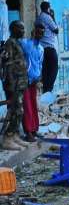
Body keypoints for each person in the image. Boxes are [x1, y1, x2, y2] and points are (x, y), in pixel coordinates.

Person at [0, 21, 30, 150]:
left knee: (19, 111)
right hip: (14, 85)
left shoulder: (17, 43)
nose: (23, 30)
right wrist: (12, 85)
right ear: (14, 29)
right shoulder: (9, 43)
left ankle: (15, 135)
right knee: (15, 110)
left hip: (20, 83)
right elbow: (7, 66)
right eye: (21, 28)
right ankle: (7, 137)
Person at [20, 23, 45, 142]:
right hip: (25, 80)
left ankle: (35, 129)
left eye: (42, 33)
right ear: (34, 31)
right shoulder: (26, 43)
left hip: (34, 80)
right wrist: (32, 37)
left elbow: (39, 64)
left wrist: (39, 77)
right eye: (38, 32)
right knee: (27, 106)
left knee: (33, 105)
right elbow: (27, 53)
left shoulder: (41, 48)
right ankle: (28, 132)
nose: (40, 34)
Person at [36, 1, 59, 93]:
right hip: (49, 47)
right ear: (48, 8)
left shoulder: (38, 18)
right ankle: (49, 89)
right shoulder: (48, 17)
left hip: (41, 48)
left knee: (45, 69)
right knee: (54, 69)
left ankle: (45, 89)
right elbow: (56, 30)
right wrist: (53, 17)